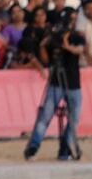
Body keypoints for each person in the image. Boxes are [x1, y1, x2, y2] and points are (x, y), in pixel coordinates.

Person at [23, 9, 85, 161]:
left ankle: (67, 147)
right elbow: (46, 60)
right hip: (56, 82)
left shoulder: (76, 36)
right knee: (45, 115)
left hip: (73, 83)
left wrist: (66, 46)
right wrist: (44, 46)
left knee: (73, 118)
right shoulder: (52, 38)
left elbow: (79, 51)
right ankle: (33, 147)